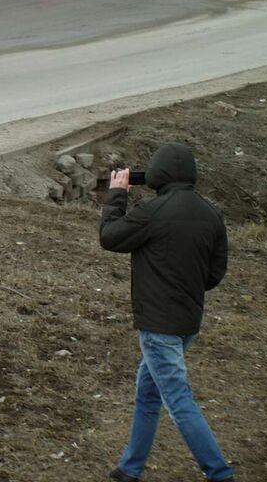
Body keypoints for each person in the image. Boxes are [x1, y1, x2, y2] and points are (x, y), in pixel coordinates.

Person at [100, 143, 234, 482]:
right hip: (187, 322)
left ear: (158, 174)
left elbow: (110, 237)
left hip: (159, 326)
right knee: (148, 391)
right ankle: (130, 469)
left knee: (177, 400)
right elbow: (214, 275)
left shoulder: (152, 210)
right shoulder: (211, 213)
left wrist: (117, 195)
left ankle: (220, 474)